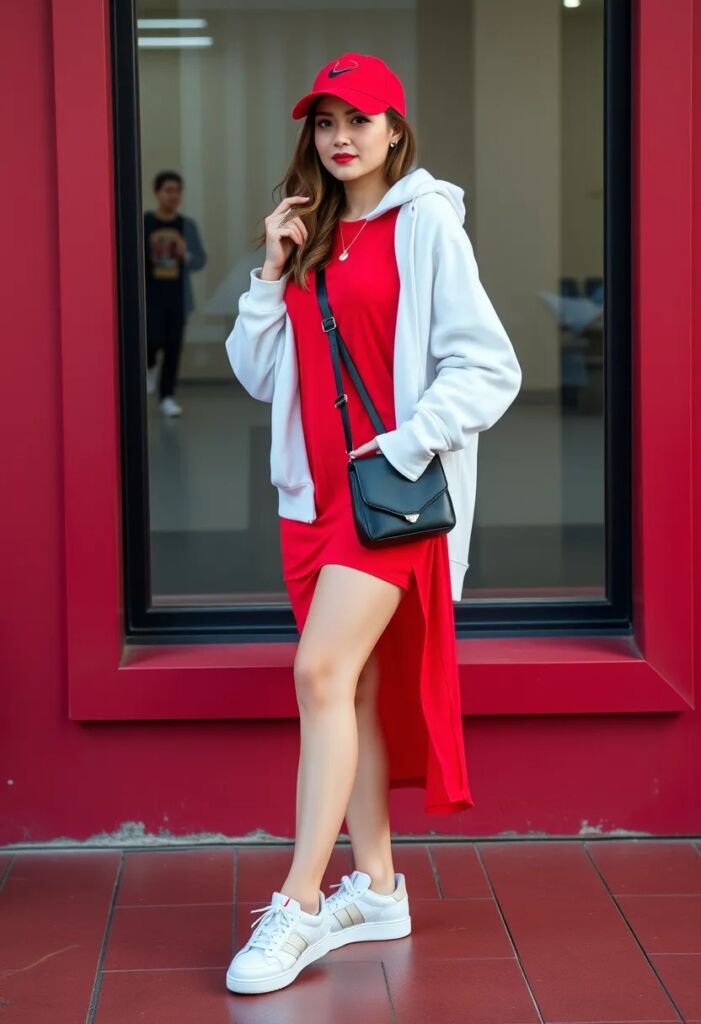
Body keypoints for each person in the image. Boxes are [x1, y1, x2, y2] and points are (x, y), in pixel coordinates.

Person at [223, 52, 522, 996]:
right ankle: (381, 886)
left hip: (385, 502)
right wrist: (271, 272)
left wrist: (406, 442)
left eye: (360, 119)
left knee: (317, 670)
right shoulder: (310, 236)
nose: (341, 136)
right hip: (310, 501)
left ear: (396, 130)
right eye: (324, 122)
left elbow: (486, 366)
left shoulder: (426, 222)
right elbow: (260, 374)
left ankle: (301, 906)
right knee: (346, 691)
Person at [143, 171, 207, 416]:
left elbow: (200, 260)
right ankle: (149, 365)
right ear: (157, 192)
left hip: (177, 296)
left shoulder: (186, 225)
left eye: (177, 191)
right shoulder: (145, 222)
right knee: (152, 338)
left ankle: (167, 396)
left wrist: (185, 254)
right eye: (168, 190)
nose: (173, 195)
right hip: (150, 294)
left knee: (173, 346)